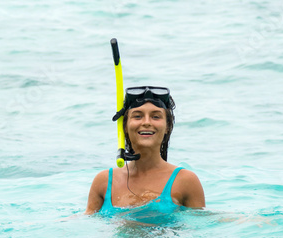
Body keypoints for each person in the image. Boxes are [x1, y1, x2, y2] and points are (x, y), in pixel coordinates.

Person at [85, 86, 205, 218]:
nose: (146, 122)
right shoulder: (104, 181)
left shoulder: (185, 180)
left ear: (167, 126)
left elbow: (201, 224)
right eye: (137, 116)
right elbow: (85, 221)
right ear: (125, 126)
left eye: (156, 116)